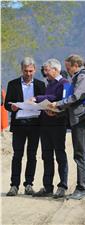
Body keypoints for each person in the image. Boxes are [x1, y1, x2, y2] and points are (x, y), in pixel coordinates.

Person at [47, 54, 85, 200]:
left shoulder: (84, 76)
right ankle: (84, 186)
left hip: (83, 117)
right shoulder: (83, 76)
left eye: (68, 67)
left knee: (80, 153)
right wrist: (57, 113)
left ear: (75, 65)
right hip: (80, 115)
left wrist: (57, 104)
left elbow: (78, 96)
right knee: (82, 152)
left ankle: (83, 188)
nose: (68, 71)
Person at [4, 57, 45, 196]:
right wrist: (12, 107)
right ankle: (14, 185)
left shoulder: (40, 85)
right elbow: (6, 104)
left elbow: (45, 102)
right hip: (19, 124)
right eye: (26, 71)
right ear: (21, 70)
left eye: (31, 71)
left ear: (34, 70)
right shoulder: (13, 84)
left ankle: (28, 184)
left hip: (35, 124)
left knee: (32, 155)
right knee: (17, 155)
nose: (28, 74)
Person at [31, 59, 69, 198]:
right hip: (45, 124)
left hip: (58, 124)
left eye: (47, 70)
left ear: (55, 69)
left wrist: (38, 98)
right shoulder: (50, 84)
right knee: (46, 155)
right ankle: (47, 187)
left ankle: (62, 186)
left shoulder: (64, 83)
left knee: (60, 154)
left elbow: (59, 98)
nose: (45, 73)